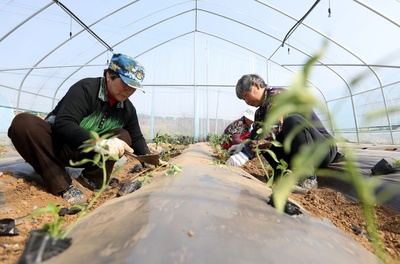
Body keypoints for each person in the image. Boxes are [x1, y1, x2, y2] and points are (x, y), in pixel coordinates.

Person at [8, 53, 153, 205]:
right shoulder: (86, 89)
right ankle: (63, 186)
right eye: (125, 84)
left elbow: (136, 138)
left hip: (86, 154)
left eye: (133, 88)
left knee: (123, 135)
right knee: (23, 122)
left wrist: (151, 158)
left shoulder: (127, 109)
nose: (128, 91)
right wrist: (100, 144)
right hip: (57, 147)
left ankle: (92, 180)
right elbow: (64, 123)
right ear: (109, 76)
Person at [226, 74, 338, 193]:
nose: (247, 102)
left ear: (256, 85)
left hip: (322, 149)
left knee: (292, 121)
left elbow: (273, 127)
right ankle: (283, 175)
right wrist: (243, 146)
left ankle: (308, 178)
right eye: (244, 100)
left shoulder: (278, 95)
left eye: (246, 96)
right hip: (299, 153)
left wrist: (246, 154)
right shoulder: (259, 112)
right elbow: (255, 135)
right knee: (261, 136)